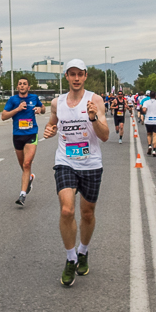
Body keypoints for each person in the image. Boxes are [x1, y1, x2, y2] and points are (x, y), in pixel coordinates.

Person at [44, 60, 110, 287]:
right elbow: (53, 125)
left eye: (80, 74)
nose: (76, 78)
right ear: (66, 77)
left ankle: (83, 251)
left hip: (91, 163)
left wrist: (93, 118)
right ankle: (70, 258)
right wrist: (50, 130)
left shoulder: (95, 100)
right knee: (66, 209)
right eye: (72, 74)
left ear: (85, 76)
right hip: (65, 161)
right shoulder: (57, 102)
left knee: (87, 214)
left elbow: (104, 136)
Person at [1, 77, 45, 206]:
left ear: (28, 87)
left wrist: (39, 110)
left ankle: (22, 195)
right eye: (19, 84)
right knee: (23, 165)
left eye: (24, 84)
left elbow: (43, 109)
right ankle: (30, 178)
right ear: (17, 87)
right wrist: (17, 109)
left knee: (27, 164)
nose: (22, 86)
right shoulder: (13, 100)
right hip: (17, 136)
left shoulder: (34, 98)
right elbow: (3, 116)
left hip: (31, 134)